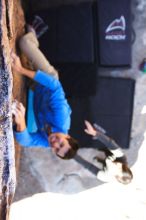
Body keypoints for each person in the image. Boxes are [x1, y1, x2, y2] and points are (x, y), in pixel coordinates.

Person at [11, 16, 79, 159]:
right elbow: (55, 86)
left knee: (24, 61)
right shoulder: (62, 119)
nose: (55, 145)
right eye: (61, 144)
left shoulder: (48, 141)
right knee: (24, 43)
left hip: (35, 89)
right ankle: (33, 37)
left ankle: (29, 60)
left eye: (56, 150)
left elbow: (26, 141)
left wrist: (21, 121)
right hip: (48, 79)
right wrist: (20, 70)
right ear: (68, 136)